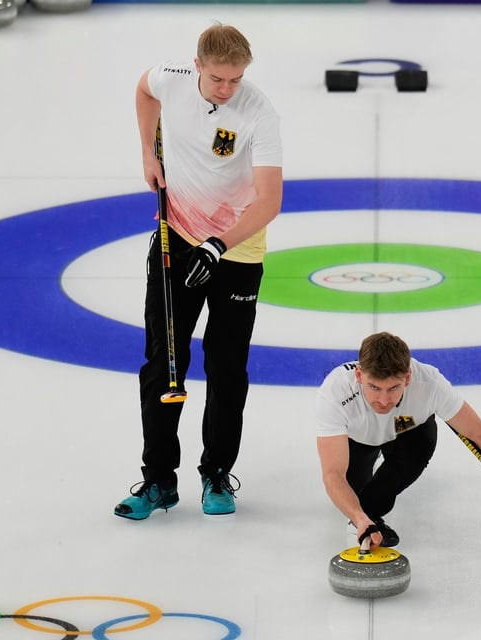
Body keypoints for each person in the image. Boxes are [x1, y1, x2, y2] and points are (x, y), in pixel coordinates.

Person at [114, 24, 283, 520]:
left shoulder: (259, 112)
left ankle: (216, 475)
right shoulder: (171, 79)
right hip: (177, 243)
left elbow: (269, 200)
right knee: (162, 364)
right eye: (217, 80)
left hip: (237, 252)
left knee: (227, 368)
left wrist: (219, 243)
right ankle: (158, 481)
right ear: (197, 66)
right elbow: (144, 89)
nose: (227, 89)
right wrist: (148, 150)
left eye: (236, 79)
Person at [316, 331, 481, 549]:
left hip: (403, 429)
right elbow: (333, 474)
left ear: (407, 378)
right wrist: (356, 516)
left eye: (393, 388)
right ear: (359, 376)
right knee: (351, 492)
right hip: (357, 436)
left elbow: (479, 433)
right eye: (374, 388)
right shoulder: (336, 391)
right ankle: (364, 510)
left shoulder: (430, 384)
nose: (383, 400)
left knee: (381, 490)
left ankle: (372, 512)